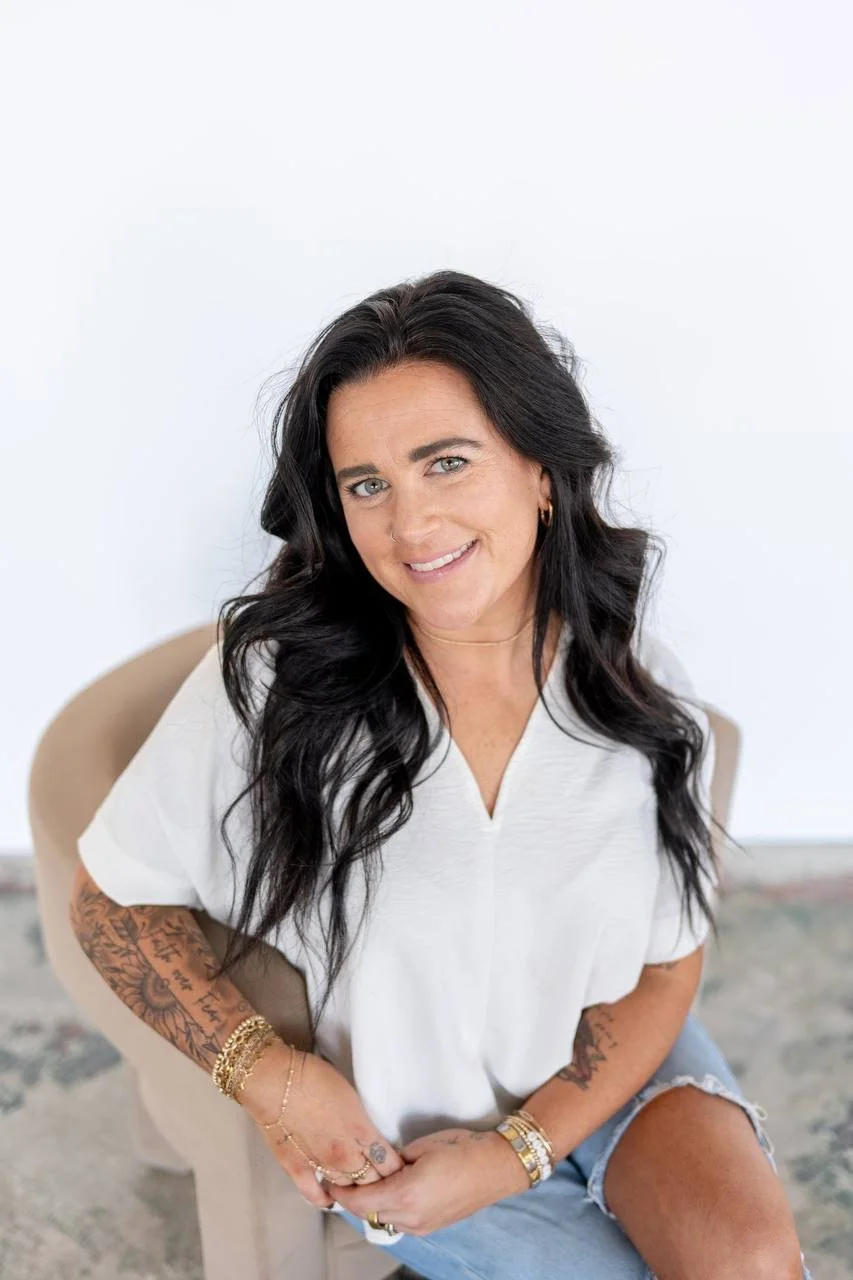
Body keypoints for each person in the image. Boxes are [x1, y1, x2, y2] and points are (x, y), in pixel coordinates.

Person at [71, 270, 812, 1278]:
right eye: (366, 482)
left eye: (446, 463)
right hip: (406, 1142)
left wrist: (521, 1151)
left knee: (752, 1264)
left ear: (542, 471)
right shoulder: (278, 685)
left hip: (608, 1075)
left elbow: (666, 962)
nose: (410, 524)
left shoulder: (641, 704)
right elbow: (110, 900)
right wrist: (270, 1074)